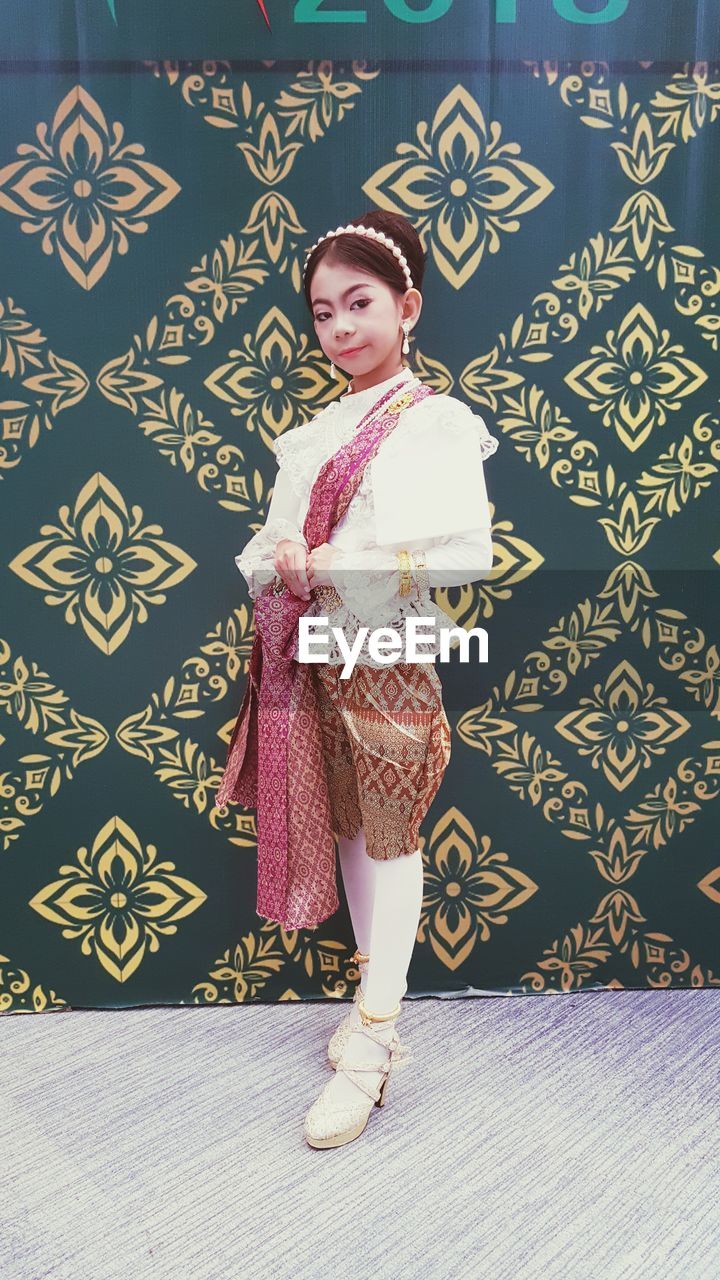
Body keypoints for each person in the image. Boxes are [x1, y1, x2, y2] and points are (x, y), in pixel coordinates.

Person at [214, 210, 498, 1149]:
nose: (339, 328)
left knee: (390, 832)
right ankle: (368, 1005)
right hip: (310, 655)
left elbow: (463, 558)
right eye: (322, 311)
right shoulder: (313, 436)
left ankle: (377, 1040)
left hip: (384, 652)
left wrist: (333, 561)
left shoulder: (436, 423)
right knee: (343, 820)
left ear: (407, 307)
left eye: (360, 303)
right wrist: (288, 549)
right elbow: (259, 555)